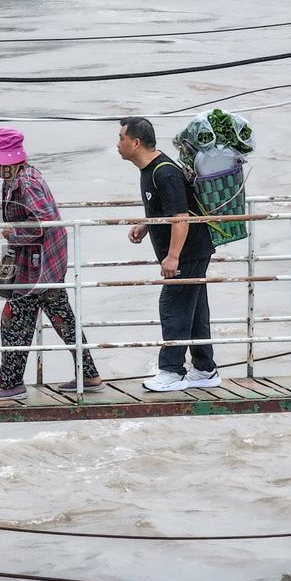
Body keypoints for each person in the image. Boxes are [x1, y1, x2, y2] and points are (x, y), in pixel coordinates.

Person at [0, 128, 102, 400]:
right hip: (43, 260)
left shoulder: (25, 183)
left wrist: (12, 233)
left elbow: (43, 221)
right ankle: (89, 376)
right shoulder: (16, 178)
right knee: (62, 317)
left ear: (8, 160)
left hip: (41, 263)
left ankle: (11, 384)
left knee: (14, 319)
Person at [117, 116, 220, 392]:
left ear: (135, 143)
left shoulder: (164, 172)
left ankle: (172, 371)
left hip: (187, 251)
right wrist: (147, 224)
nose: (118, 144)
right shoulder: (150, 169)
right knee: (194, 309)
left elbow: (181, 217)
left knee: (173, 307)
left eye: (121, 138)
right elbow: (167, 209)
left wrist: (173, 256)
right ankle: (205, 368)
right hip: (192, 250)